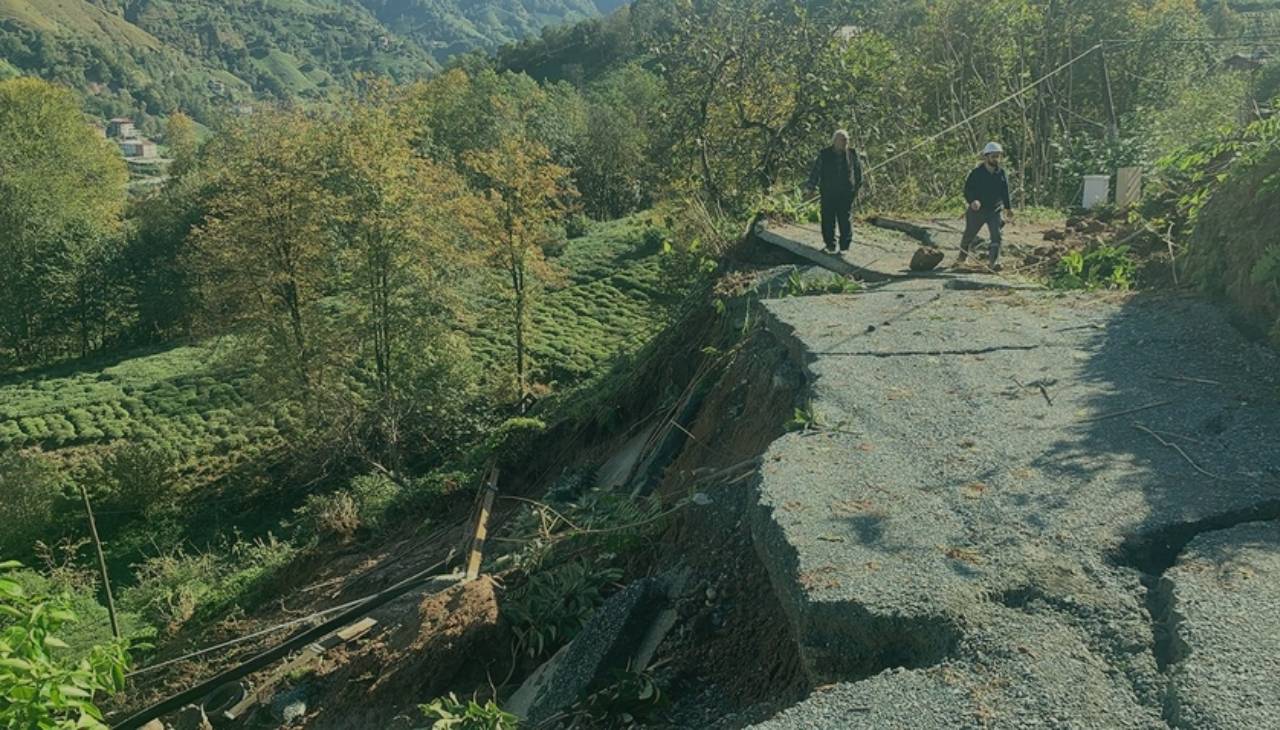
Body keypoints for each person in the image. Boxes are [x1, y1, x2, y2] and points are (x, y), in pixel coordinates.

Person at [806, 130, 863, 255]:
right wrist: (810, 188)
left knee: (845, 220)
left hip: (846, 193)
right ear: (834, 141)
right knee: (827, 219)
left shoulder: (852, 154)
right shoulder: (824, 154)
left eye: (846, 140)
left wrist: (857, 189)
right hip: (828, 192)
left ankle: (844, 246)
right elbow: (815, 172)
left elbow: (858, 173)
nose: (844, 143)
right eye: (842, 140)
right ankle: (830, 245)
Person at [959, 142, 1014, 269]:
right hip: (978, 210)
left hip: (995, 210)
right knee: (969, 235)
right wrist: (973, 201)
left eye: (998, 156)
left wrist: (1008, 208)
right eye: (994, 156)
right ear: (986, 156)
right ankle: (962, 258)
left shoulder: (1001, 173)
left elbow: (1005, 191)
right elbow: (967, 190)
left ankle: (993, 263)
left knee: (997, 236)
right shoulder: (976, 173)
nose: (996, 159)